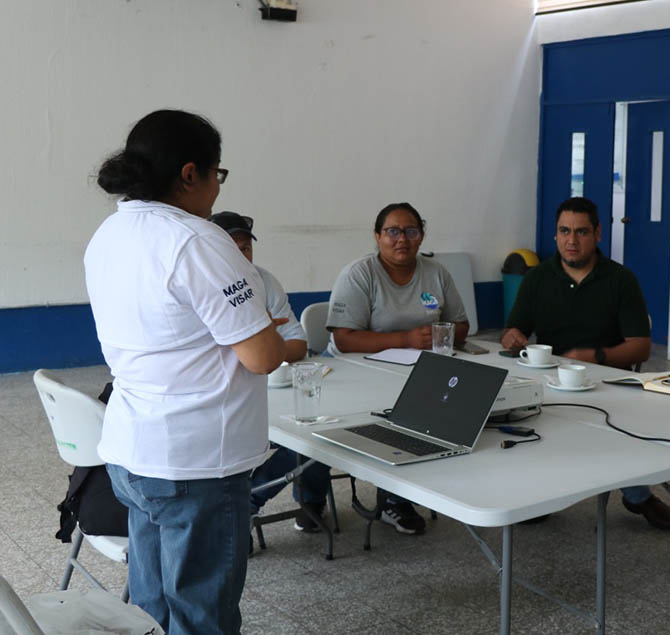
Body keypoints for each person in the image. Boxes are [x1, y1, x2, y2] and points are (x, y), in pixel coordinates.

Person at [85, 110, 287, 635]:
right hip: (196, 464)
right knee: (202, 616)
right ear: (191, 173)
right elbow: (263, 356)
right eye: (218, 175)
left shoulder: (110, 232)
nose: (218, 189)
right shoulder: (199, 240)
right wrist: (263, 329)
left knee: (150, 608)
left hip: (134, 452)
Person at [501, 196, 670, 530]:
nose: (571, 240)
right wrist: (512, 337)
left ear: (597, 234)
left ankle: (637, 495)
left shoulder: (620, 279)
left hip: (609, 384)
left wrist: (595, 356)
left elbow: (641, 348)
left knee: (613, 425)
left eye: (581, 232)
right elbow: (513, 330)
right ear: (555, 234)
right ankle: (545, 492)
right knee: (521, 418)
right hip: (550, 383)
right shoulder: (538, 278)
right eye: (564, 231)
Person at [326, 202, 469, 534]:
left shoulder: (436, 273)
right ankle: (311, 497)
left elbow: (461, 325)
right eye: (392, 231)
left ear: (421, 236)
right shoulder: (359, 274)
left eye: (410, 231)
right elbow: (344, 339)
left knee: (431, 414)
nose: (402, 239)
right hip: (354, 371)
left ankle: (396, 500)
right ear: (377, 236)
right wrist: (405, 338)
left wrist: (438, 335)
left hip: (417, 371)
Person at [208, 211, 333, 535]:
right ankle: (243, 508)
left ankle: (309, 502)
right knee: (295, 438)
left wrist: (263, 346)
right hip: (222, 400)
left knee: (314, 429)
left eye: (246, 248)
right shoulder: (203, 286)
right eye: (232, 249)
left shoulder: (263, 281)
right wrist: (262, 342)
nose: (242, 257)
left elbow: (298, 344)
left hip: (272, 386)